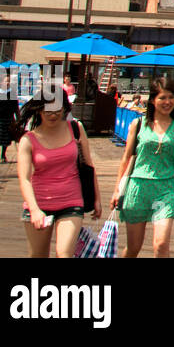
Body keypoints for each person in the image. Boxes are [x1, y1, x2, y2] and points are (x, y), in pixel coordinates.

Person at [16, 86, 102, 258]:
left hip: (71, 201)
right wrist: (34, 210)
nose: (53, 115)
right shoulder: (28, 140)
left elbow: (89, 166)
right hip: (39, 203)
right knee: (38, 255)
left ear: (65, 108)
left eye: (57, 110)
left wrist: (96, 199)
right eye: (48, 110)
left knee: (64, 254)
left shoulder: (76, 128)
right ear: (39, 110)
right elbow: (24, 179)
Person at [111, 77, 174, 258]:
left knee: (161, 245)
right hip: (137, 188)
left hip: (165, 189)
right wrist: (116, 190)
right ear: (153, 100)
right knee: (133, 248)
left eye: (171, 97)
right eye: (162, 98)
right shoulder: (138, 125)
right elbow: (126, 158)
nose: (167, 102)